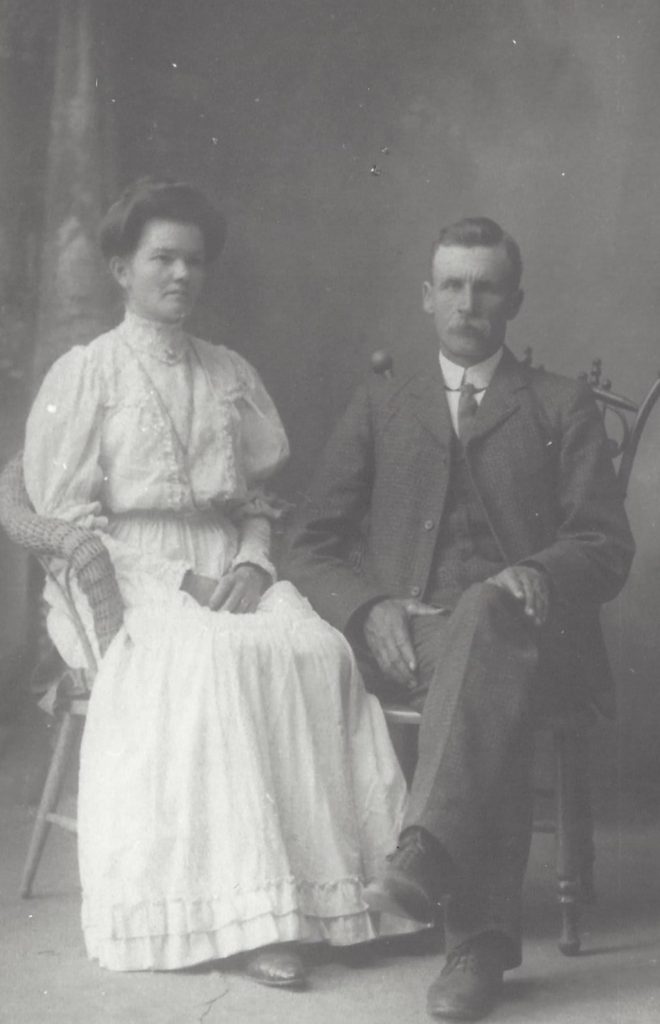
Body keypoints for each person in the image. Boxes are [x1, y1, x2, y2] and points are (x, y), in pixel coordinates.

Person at [22, 178, 418, 984]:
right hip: (122, 573)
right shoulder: (87, 372)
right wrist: (178, 580)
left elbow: (258, 501)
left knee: (315, 647)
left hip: (228, 560)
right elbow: (66, 519)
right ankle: (252, 916)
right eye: (161, 258)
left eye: (194, 262)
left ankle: (353, 896)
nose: (180, 275)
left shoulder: (229, 371)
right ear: (120, 268)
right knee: (207, 661)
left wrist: (251, 561)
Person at [284, 216, 635, 1020]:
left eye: (485, 287)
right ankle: (467, 930)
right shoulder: (383, 403)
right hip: (407, 639)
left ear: (514, 299)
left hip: (528, 637)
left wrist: (536, 570)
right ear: (426, 297)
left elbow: (604, 545)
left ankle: (442, 883)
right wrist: (368, 606)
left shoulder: (558, 403)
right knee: (478, 674)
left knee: (487, 632)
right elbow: (309, 542)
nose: (467, 302)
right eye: (452, 285)